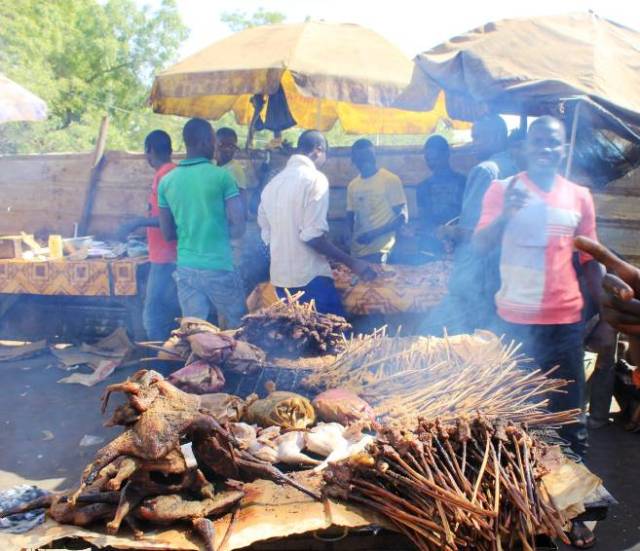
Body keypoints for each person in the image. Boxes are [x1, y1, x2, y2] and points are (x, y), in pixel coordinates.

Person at [474, 116, 605, 549]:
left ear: (562, 147)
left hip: (565, 323)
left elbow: (590, 257)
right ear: (526, 147)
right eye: (538, 141)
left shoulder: (579, 197)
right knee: (515, 420)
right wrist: (507, 213)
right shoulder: (503, 189)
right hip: (513, 322)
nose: (545, 148)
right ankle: (522, 508)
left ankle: (577, 512)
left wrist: (598, 312)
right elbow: (479, 245)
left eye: (553, 142)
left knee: (571, 421)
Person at [258, 130, 375, 317]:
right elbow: (312, 237)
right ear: (318, 150)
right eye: (325, 155)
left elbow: (266, 234)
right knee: (335, 337)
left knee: (300, 340)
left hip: (281, 280)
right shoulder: (315, 179)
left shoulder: (272, 186)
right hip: (309, 278)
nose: (325, 161)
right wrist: (352, 262)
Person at [422, 115, 519, 334]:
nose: (473, 143)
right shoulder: (514, 167)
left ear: (494, 136)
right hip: (502, 270)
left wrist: (448, 231)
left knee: (430, 334)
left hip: (475, 273)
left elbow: (474, 233)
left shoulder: (484, 170)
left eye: (477, 137)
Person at [158, 118, 246, 328]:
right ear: (206, 141)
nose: (216, 147)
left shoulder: (167, 182)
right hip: (219, 266)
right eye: (214, 141)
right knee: (240, 328)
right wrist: (217, 234)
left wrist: (193, 231)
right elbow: (239, 226)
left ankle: (198, 362)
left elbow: (168, 234)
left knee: (195, 331)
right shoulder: (222, 177)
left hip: (186, 267)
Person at [117, 130, 179, 341]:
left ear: (150, 151)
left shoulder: (165, 175)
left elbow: (171, 219)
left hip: (167, 258)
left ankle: (159, 366)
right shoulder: (169, 173)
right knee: (167, 313)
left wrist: (137, 222)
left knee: (152, 317)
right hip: (164, 255)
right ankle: (169, 361)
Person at [346, 139, 408, 263]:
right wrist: (346, 238)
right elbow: (349, 218)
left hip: (382, 252)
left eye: (368, 157)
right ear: (354, 161)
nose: (365, 162)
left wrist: (374, 234)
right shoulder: (353, 185)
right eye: (360, 159)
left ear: (375, 157)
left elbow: (403, 217)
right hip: (357, 253)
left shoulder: (390, 180)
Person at [415, 135, 466, 254]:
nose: (432, 163)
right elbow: (424, 220)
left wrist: (451, 236)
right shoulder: (423, 187)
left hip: (459, 245)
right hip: (430, 247)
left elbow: (468, 217)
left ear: (447, 155)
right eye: (428, 160)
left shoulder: (463, 183)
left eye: (436, 159)